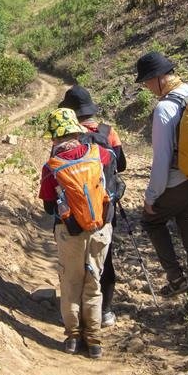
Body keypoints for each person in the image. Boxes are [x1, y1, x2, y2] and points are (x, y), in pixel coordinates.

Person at [135, 51, 188, 296]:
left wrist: (151, 197)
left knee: (151, 220)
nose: (146, 86)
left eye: (146, 81)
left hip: (179, 182)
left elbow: (162, 160)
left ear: (159, 78)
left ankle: (177, 279)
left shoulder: (165, 108)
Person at [39, 108, 113, 359]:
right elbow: (112, 181)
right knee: (93, 284)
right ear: (77, 131)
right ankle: (94, 341)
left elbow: (49, 207)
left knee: (70, 283)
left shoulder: (51, 167)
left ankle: (72, 338)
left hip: (69, 231)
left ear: (54, 137)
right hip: (100, 228)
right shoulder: (99, 154)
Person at [59, 85, 126, 327]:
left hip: (71, 215)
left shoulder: (66, 137)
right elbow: (122, 165)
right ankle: (104, 312)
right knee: (103, 260)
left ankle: (75, 318)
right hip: (104, 209)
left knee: (74, 266)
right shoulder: (108, 132)